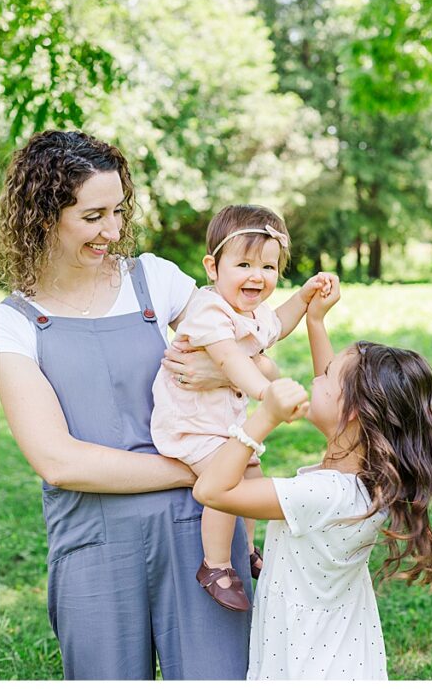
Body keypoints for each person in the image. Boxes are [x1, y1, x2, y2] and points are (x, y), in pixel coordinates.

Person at [0, 130, 250, 678]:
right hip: (94, 540)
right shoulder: (12, 323)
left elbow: (262, 367)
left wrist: (217, 366)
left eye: (117, 211)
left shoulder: (154, 281)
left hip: (202, 535)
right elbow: (59, 461)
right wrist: (203, 470)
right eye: (93, 216)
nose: (113, 230)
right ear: (44, 216)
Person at [192, 278, 432, 679]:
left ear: (351, 412)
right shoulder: (370, 477)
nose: (318, 375)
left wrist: (262, 418)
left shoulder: (317, 495)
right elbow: (338, 407)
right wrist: (315, 321)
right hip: (342, 655)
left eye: (327, 375)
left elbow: (211, 489)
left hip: (306, 662)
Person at [150, 203, 333, 611]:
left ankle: (246, 547)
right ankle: (214, 565)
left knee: (252, 472)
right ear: (213, 268)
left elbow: (278, 326)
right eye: (245, 264)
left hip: (221, 426)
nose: (257, 276)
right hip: (190, 425)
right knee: (226, 482)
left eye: (269, 268)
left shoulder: (251, 312)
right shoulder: (210, 309)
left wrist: (303, 299)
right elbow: (231, 361)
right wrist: (267, 393)